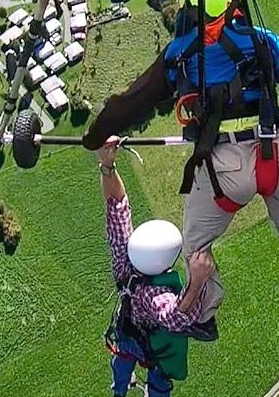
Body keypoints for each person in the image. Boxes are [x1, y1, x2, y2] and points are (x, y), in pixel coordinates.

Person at [83, 0, 279, 354]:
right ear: (228, 2)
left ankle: (202, 314)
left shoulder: (180, 53)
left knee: (196, 245)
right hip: (276, 155)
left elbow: (133, 100)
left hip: (222, 169)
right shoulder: (260, 42)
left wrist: (95, 137)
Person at [99, 137, 215, 397]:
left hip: (126, 332)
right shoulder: (155, 294)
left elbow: (117, 207)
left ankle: (119, 390)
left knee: (122, 362)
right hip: (153, 348)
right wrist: (196, 281)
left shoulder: (124, 263)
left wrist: (107, 165)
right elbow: (174, 318)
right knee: (160, 382)